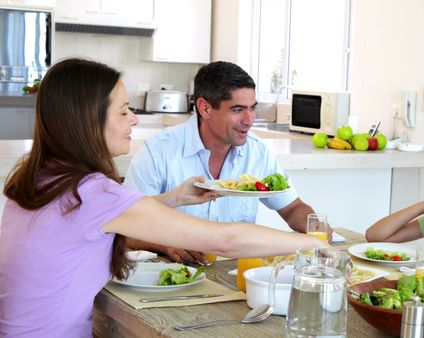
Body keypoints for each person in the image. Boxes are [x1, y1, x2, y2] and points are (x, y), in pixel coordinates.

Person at [0, 58, 328, 337]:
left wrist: (175, 197)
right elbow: (225, 240)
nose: (135, 120)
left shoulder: (42, 179)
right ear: (88, 120)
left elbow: (105, 219)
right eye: (124, 111)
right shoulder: (92, 192)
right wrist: (312, 244)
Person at [124, 61, 331, 264]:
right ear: (205, 109)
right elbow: (126, 228)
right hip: (177, 276)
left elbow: (292, 207)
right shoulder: (158, 151)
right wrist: (166, 245)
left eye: (252, 108)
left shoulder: (257, 152)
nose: (249, 120)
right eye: (238, 109)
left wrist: (316, 227)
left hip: (236, 274)